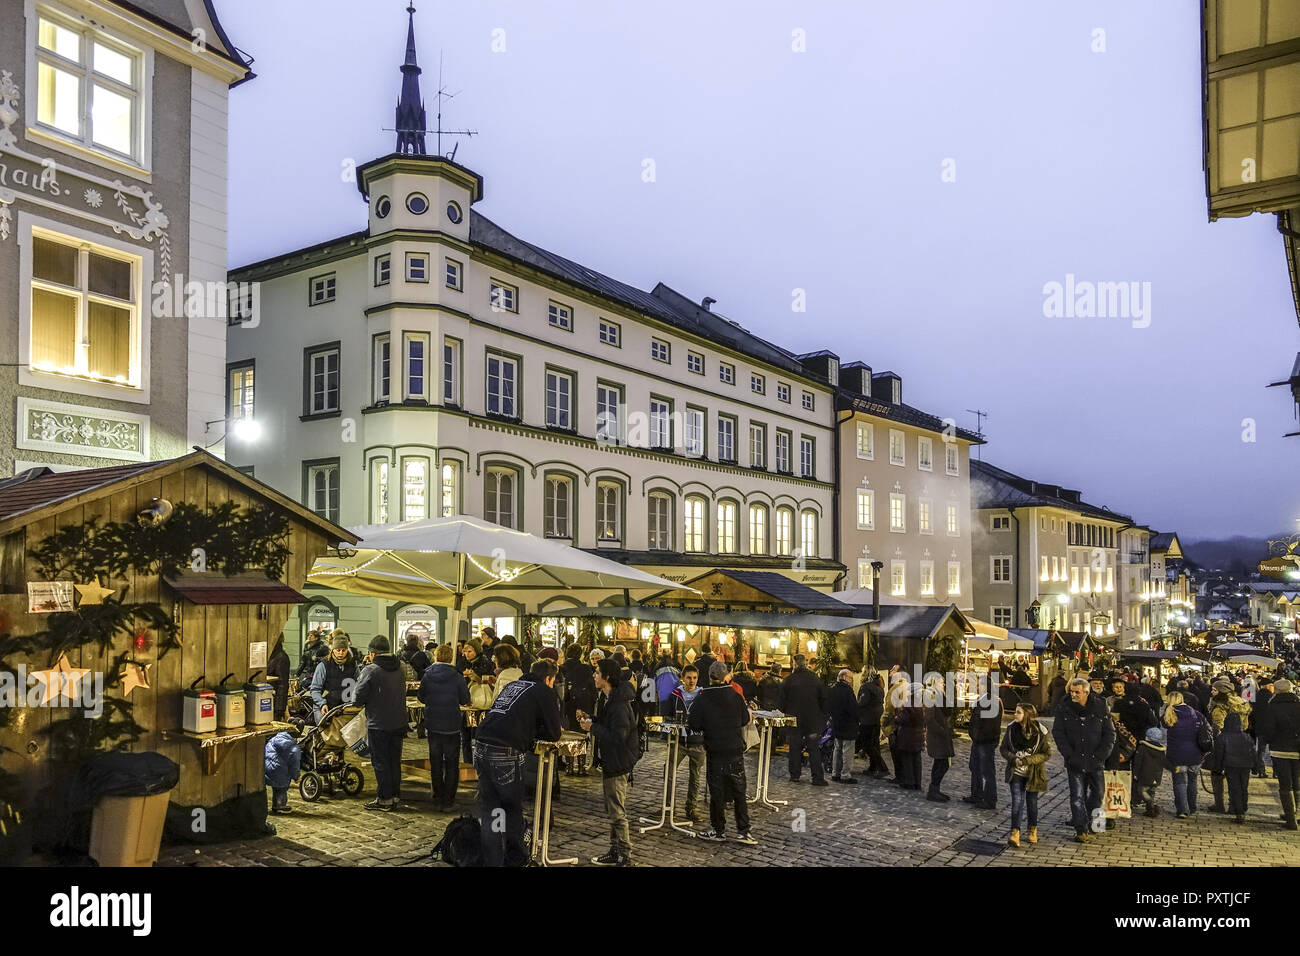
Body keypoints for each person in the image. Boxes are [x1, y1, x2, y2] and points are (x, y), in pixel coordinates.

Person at [474, 659, 563, 866]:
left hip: (482, 743)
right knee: (512, 807)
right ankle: (516, 858)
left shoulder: (513, 685)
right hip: (506, 749)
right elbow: (554, 732)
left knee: (491, 808)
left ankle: (493, 859)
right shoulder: (543, 691)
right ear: (549, 678)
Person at [579, 657, 639, 866]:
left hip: (619, 760)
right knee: (612, 808)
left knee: (616, 811)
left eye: (597, 672)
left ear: (606, 677)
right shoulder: (609, 698)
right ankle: (615, 851)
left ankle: (625, 854)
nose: (594, 675)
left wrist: (592, 728)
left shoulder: (619, 704)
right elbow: (608, 723)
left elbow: (618, 736)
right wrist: (592, 720)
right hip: (613, 759)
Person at [689, 660, 757, 844]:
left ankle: (718, 829)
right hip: (734, 749)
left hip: (716, 750)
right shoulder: (734, 695)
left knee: (717, 792)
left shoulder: (703, 697)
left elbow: (693, 723)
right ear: (725, 676)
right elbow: (745, 719)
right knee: (739, 791)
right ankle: (744, 830)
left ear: (710, 677)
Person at [1051, 676, 1115, 843]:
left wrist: (1101, 755)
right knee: (1077, 796)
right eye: (1072, 691)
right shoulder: (1064, 708)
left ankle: (1094, 822)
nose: (1073, 695)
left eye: (1077, 692)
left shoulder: (1100, 707)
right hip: (1075, 760)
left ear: (1086, 692)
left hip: (1096, 760)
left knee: (1098, 793)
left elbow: (1110, 734)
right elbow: (1058, 733)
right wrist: (1069, 754)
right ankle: (1081, 829)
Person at [353, 636, 409, 811]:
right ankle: (395, 795)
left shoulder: (371, 670)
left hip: (378, 722)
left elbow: (357, 698)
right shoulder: (401, 667)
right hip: (399, 720)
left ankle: (384, 798)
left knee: (380, 761)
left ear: (372, 653)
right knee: (394, 760)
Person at [417, 643, 469, 811]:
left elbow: (421, 696)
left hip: (433, 723)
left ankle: (437, 796)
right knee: (452, 762)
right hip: (452, 724)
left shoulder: (428, 675)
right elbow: (464, 699)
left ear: (436, 657)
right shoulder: (457, 676)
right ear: (451, 657)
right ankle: (449, 799)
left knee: (436, 761)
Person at [999, 704, 1050, 847]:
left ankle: (1032, 830)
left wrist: (1028, 760)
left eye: (1018, 712)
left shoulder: (1039, 732)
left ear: (1026, 715)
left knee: (1032, 803)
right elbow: (1003, 749)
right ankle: (1015, 833)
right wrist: (1013, 758)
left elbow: (1046, 754)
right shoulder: (1011, 729)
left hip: (1033, 773)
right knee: (1017, 802)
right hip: (1015, 772)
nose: (1015, 715)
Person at [1256, 677, 1300, 830]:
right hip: (1297, 750)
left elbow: (1269, 729)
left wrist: (1270, 740)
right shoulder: (1298, 704)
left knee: (1285, 784)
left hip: (1280, 750)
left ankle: (1290, 818)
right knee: (1297, 782)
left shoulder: (1273, 706)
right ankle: (1297, 814)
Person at [779, 654, 828, 786]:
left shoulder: (788, 680)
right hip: (812, 720)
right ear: (805, 664)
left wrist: (785, 713)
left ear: (794, 664)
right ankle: (817, 777)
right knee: (814, 749)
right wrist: (822, 717)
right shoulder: (815, 679)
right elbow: (823, 699)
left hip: (794, 719)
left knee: (794, 748)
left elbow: (781, 702)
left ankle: (795, 775)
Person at [669, 664, 707, 824]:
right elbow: (667, 715)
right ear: (682, 679)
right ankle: (667, 806)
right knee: (669, 774)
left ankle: (691, 807)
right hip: (679, 741)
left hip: (697, 742)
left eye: (694, 678)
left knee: (695, 777)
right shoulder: (675, 695)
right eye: (689, 678)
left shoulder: (703, 695)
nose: (692, 681)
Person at [1207, 680, 1251, 813]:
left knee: (1216, 772)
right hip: (1240, 742)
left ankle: (1219, 804)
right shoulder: (1241, 702)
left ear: (1221, 692)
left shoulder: (1220, 706)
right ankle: (1234, 806)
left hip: (1224, 743)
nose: (1212, 692)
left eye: (1214, 690)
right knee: (1235, 776)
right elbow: (1246, 725)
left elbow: (1218, 726)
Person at [1163, 691, 1208, 820]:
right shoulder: (1196, 714)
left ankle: (1183, 810)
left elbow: (1163, 724)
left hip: (1177, 755)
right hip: (1195, 754)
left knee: (1179, 782)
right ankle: (1192, 807)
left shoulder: (1169, 713)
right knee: (1192, 781)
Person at [1210, 711, 1255, 824]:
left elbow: (1219, 755)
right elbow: (1253, 753)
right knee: (1243, 787)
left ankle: (1239, 812)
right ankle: (1242, 807)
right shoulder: (1246, 737)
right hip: (1245, 766)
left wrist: (1218, 769)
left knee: (1234, 788)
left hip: (1231, 766)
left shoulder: (1222, 737)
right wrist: (1256, 766)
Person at [309, 631, 358, 724]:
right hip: (326, 706)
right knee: (324, 731)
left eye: (343, 650)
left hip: (345, 707)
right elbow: (315, 689)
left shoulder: (353, 665)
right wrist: (322, 703)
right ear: (333, 650)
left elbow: (358, 686)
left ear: (347, 650)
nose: (341, 653)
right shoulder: (323, 666)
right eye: (338, 650)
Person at [965, 688, 1001, 810]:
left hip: (985, 742)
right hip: (979, 740)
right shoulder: (983, 700)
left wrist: (978, 736)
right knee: (974, 767)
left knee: (987, 771)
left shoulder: (990, 702)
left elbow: (989, 725)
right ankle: (976, 794)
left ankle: (990, 799)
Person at [827, 668, 860, 784]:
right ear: (845, 677)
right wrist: (857, 720)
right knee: (847, 751)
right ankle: (845, 775)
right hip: (848, 725)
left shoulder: (833, 689)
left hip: (836, 724)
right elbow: (853, 709)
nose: (852, 681)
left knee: (837, 749)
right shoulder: (848, 691)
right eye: (851, 678)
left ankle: (835, 773)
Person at [924, 685, 954, 802]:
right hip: (937, 737)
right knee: (941, 763)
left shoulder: (940, 697)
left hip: (942, 736)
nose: (943, 684)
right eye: (941, 682)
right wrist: (941, 730)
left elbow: (947, 710)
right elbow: (929, 719)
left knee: (942, 763)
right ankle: (933, 790)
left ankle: (935, 789)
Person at [893, 683, 925, 791]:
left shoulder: (908, 704)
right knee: (917, 760)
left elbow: (901, 719)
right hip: (918, 736)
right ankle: (917, 782)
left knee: (907, 760)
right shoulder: (920, 704)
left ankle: (909, 782)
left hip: (908, 737)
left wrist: (896, 716)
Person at [857, 671, 889, 776]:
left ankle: (882, 767)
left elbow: (862, 703)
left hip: (867, 720)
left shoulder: (866, 688)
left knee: (867, 745)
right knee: (875, 744)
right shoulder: (879, 688)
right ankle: (873, 767)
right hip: (876, 719)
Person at [264, 729, 302, 814]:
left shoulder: (275, 738)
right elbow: (294, 764)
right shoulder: (293, 747)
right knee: (282, 788)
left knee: (276, 787)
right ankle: (279, 804)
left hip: (267, 767)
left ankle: (276, 804)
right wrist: (296, 776)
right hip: (279, 770)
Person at [1133, 726, 1166, 818]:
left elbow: (1137, 762)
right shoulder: (1161, 750)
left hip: (1145, 775)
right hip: (1156, 775)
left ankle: (1151, 806)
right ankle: (1150, 809)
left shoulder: (1143, 748)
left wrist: (1135, 773)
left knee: (1142, 791)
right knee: (1151, 791)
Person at [1253, 674, 1276, 777]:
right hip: (1272, 728)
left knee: (1261, 750)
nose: (1273, 687)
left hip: (1259, 727)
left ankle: (1261, 771)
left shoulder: (1255, 696)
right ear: (1267, 686)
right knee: (1273, 751)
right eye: (1272, 685)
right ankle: (1276, 772)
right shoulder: (1272, 698)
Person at [266, 636, 291, 721]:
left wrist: (279, 709)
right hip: (266, 701)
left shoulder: (281, 657)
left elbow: (282, 685)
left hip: (273, 702)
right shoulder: (268, 655)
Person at [654, 653, 682, 718]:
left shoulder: (657, 667)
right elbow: (682, 679)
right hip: (676, 696)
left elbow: (653, 682)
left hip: (663, 697)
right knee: (676, 718)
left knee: (664, 718)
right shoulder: (677, 665)